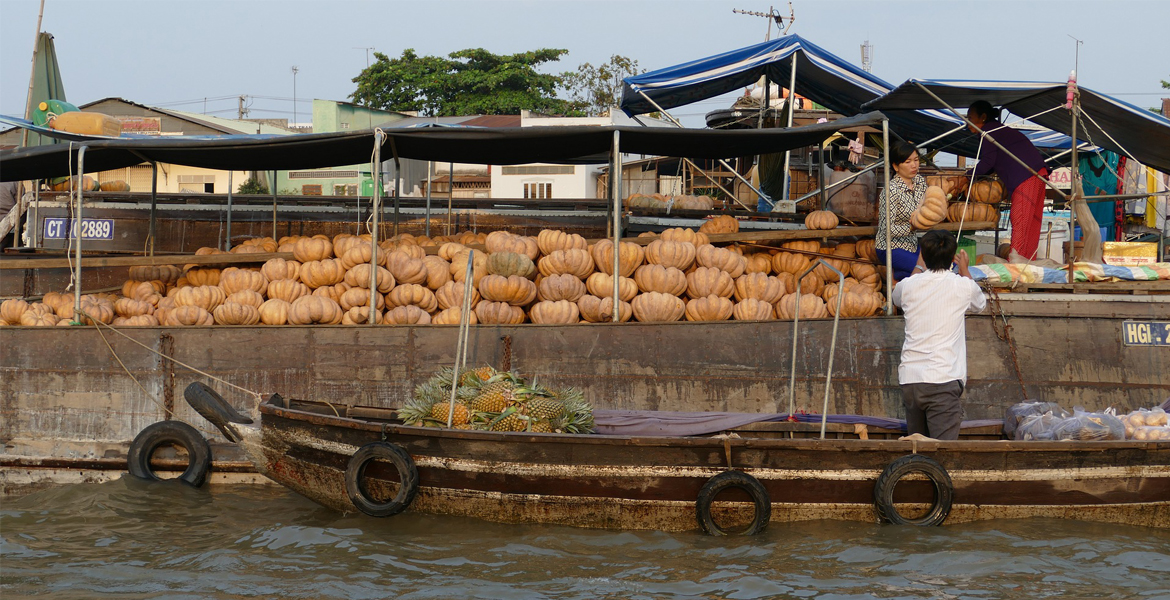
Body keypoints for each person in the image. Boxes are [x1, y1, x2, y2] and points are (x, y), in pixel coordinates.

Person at [891, 229, 987, 440]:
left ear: (924, 255)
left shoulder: (907, 286)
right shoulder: (963, 285)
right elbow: (980, 304)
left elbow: (896, 298)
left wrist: (918, 264)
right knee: (942, 454)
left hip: (911, 381)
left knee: (917, 452)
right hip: (942, 381)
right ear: (952, 258)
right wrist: (964, 269)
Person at [965, 100, 1049, 262]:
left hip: (1027, 175)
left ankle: (1016, 262)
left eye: (970, 117)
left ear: (983, 117)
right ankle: (1027, 261)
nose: (967, 122)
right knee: (1030, 223)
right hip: (1037, 173)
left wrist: (967, 177)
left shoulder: (989, 130)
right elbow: (992, 163)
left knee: (1019, 218)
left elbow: (988, 161)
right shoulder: (997, 130)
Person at [875, 141, 927, 280]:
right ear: (895, 166)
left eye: (916, 160)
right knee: (926, 270)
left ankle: (901, 274)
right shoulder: (890, 191)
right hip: (890, 248)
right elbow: (887, 229)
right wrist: (911, 227)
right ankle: (901, 276)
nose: (914, 165)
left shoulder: (920, 182)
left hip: (912, 244)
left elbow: (927, 207)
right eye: (908, 161)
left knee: (940, 261)